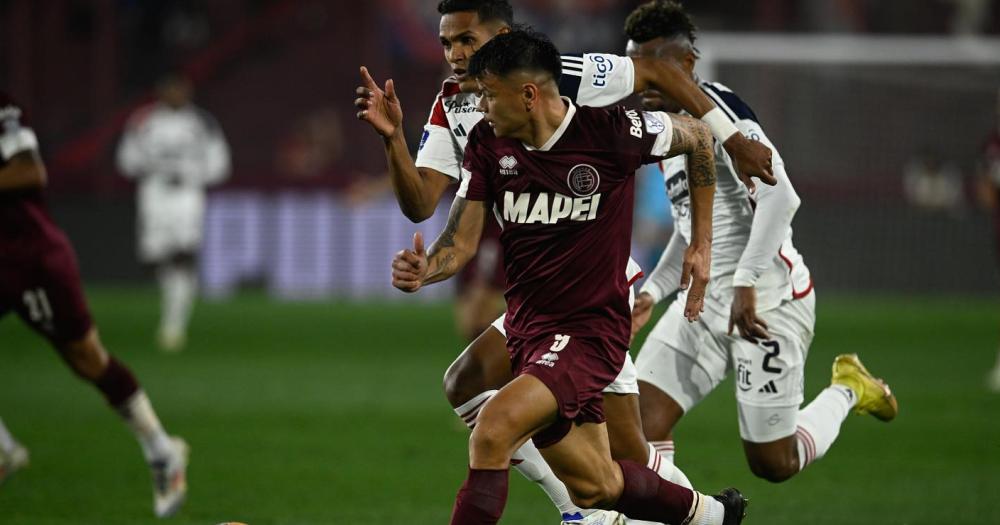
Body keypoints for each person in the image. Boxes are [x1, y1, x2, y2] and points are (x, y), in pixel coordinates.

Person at [356, 1, 775, 522]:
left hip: (590, 302)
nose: (455, 56)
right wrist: (394, 141)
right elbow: (428, 208)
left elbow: (672, 103)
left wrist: (713, 202)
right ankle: (708, 516)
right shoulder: (469, 119)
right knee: (594, 478)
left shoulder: (582, 93)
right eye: (446, 43)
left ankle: (608, 513)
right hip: (531, 306)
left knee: (518, 434)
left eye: (467, 40)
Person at [624, 0, 898, 483]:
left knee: (774, 463)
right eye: (634, 66)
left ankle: (849, 388)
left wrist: (747, 282)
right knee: (638, 426)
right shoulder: (667, 134)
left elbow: (781, 198)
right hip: (705, 308)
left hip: (767, 304)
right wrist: (652, 291)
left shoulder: (722, 110)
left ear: (686, 64)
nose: (643, 79)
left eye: (654, 65)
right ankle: (676, 514)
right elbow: (690, 234)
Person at [0, 91, 188, 517]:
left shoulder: (4, 108)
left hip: (29, 258)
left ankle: (161, 451)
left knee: (86, 358)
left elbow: (29, 171)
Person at [116, 74, 231, 351]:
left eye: (180, 88)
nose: (176, 93)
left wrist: (190, 174)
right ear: (161, 90)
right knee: (157, 258)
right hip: (154, 196)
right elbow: (126, 161)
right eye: (171, 88)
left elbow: (220, 165)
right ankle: (174, 311)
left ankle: (173, 326)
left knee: (183, 256)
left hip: (187, 197)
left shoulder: (202, 122)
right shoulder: (143, 120)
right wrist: (155, 169)